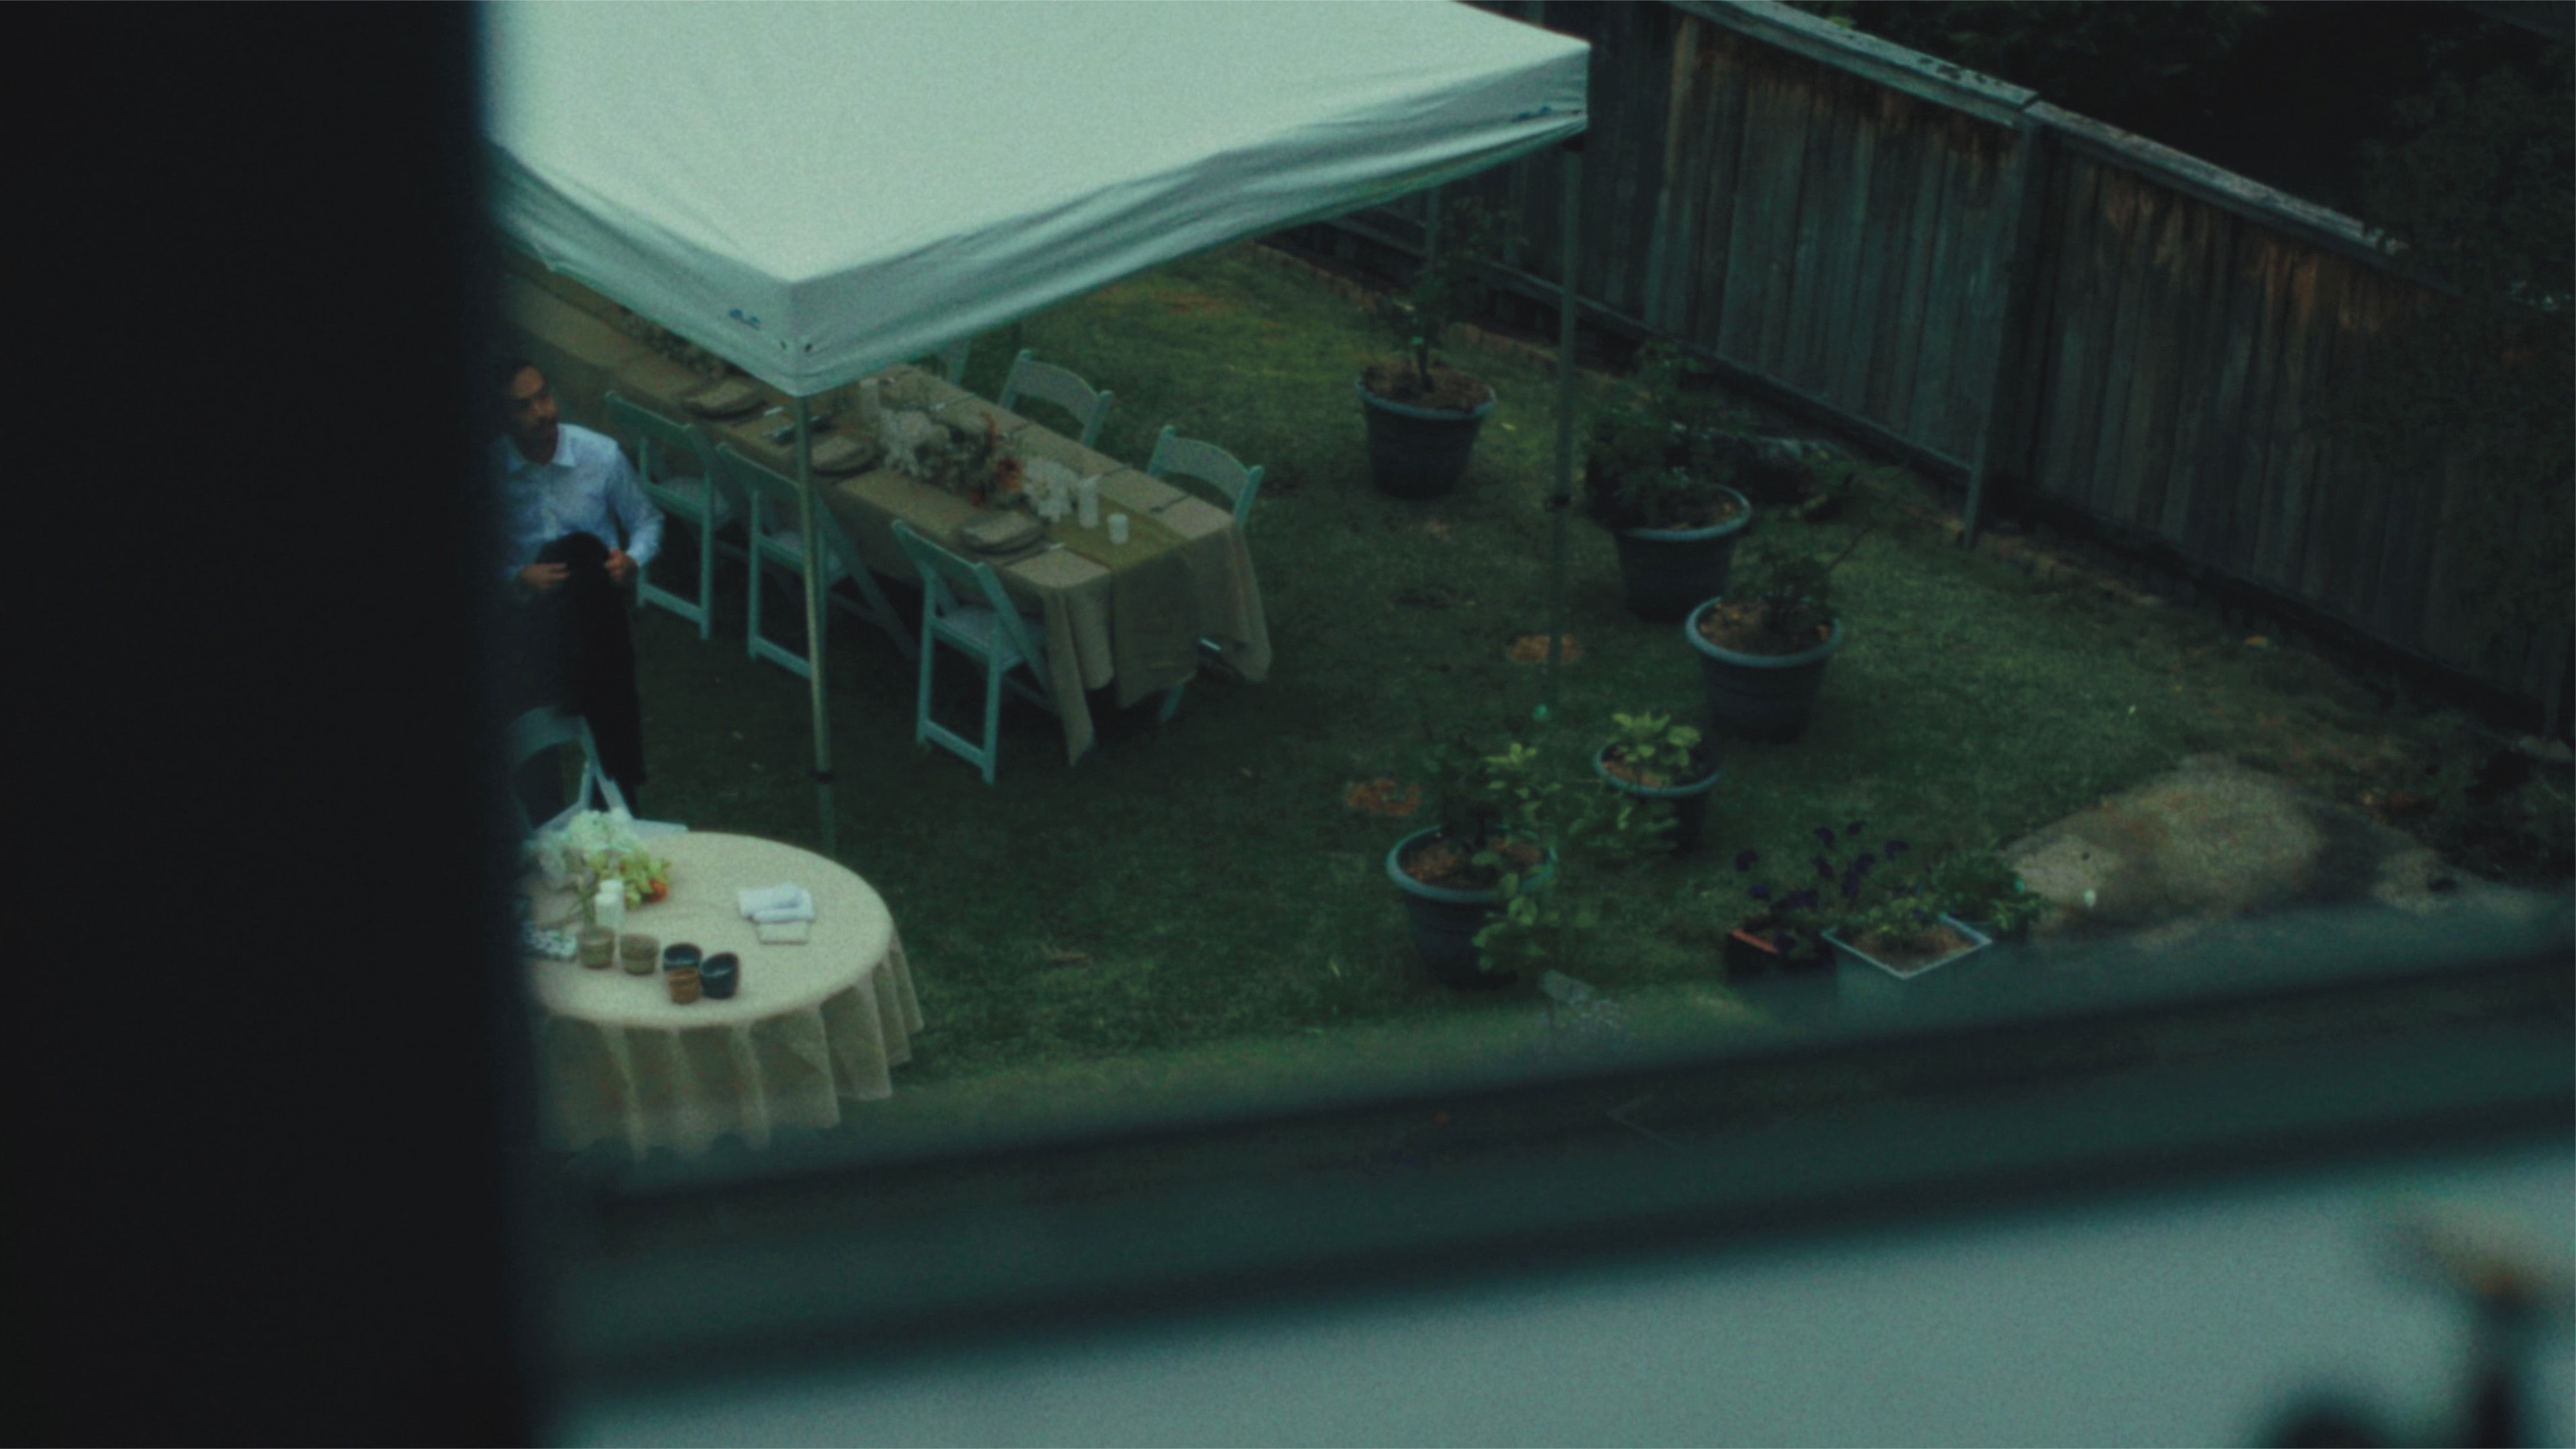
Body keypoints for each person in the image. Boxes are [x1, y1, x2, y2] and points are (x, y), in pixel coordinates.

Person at [493, 358, 663, 821]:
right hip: (528, 624)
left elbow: (648, 522)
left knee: (613, 736)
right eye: (524, 406)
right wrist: (517, 575)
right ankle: (544, 832)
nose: (542, 413)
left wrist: (632, 559)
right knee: (533, 743)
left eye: (544, 396)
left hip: (595, 621)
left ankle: (621, 822)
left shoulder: (600, 456)